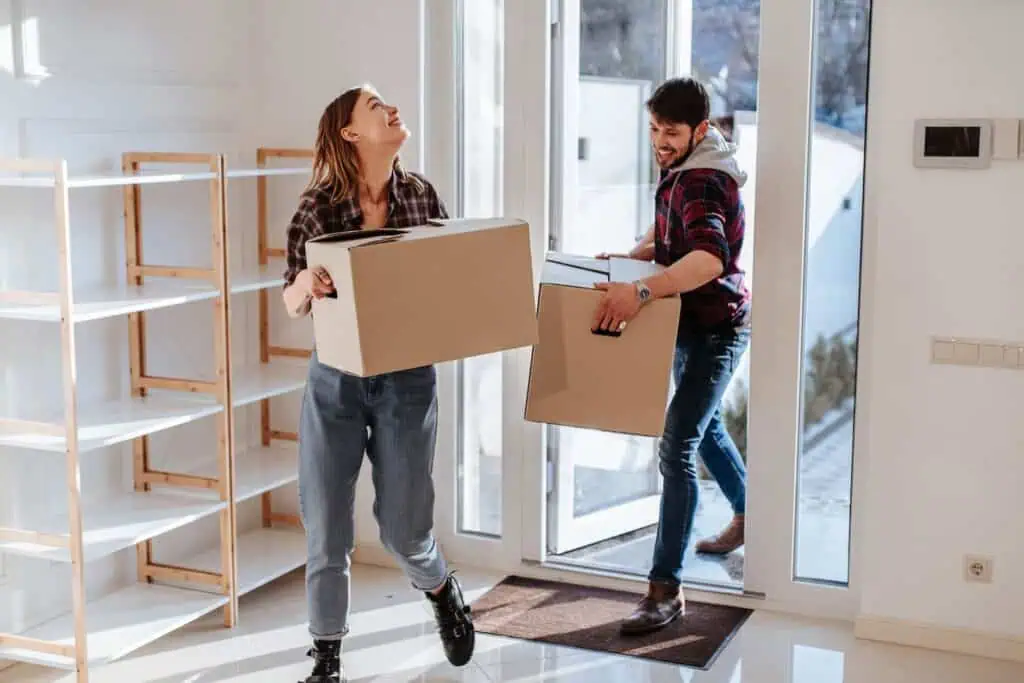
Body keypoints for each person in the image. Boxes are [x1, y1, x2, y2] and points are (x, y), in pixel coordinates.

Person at [282, 84, 475, 682]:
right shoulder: (318, 208)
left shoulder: (420, 197)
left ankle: (441, 589)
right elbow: (290, 300)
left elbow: (444, 282)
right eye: (376, 105)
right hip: (335, 383)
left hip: (408, 380)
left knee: (403, 529)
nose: (392, 109)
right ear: (350, 133)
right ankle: (327, 659)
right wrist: (309, 284)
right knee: (328, 529)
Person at [592, 77, 751, 635]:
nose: (660, 141)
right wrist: (633, 256)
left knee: (677, 445)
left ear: (700, 130)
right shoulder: (689, 166)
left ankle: (665, 591)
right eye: (655, 129)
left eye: (671, 132)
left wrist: (638, 291)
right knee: (704, 431)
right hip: (690, 325)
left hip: (716, 330)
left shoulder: (702, 181)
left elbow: (707, 259)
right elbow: (675, 240)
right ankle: (749, 511)